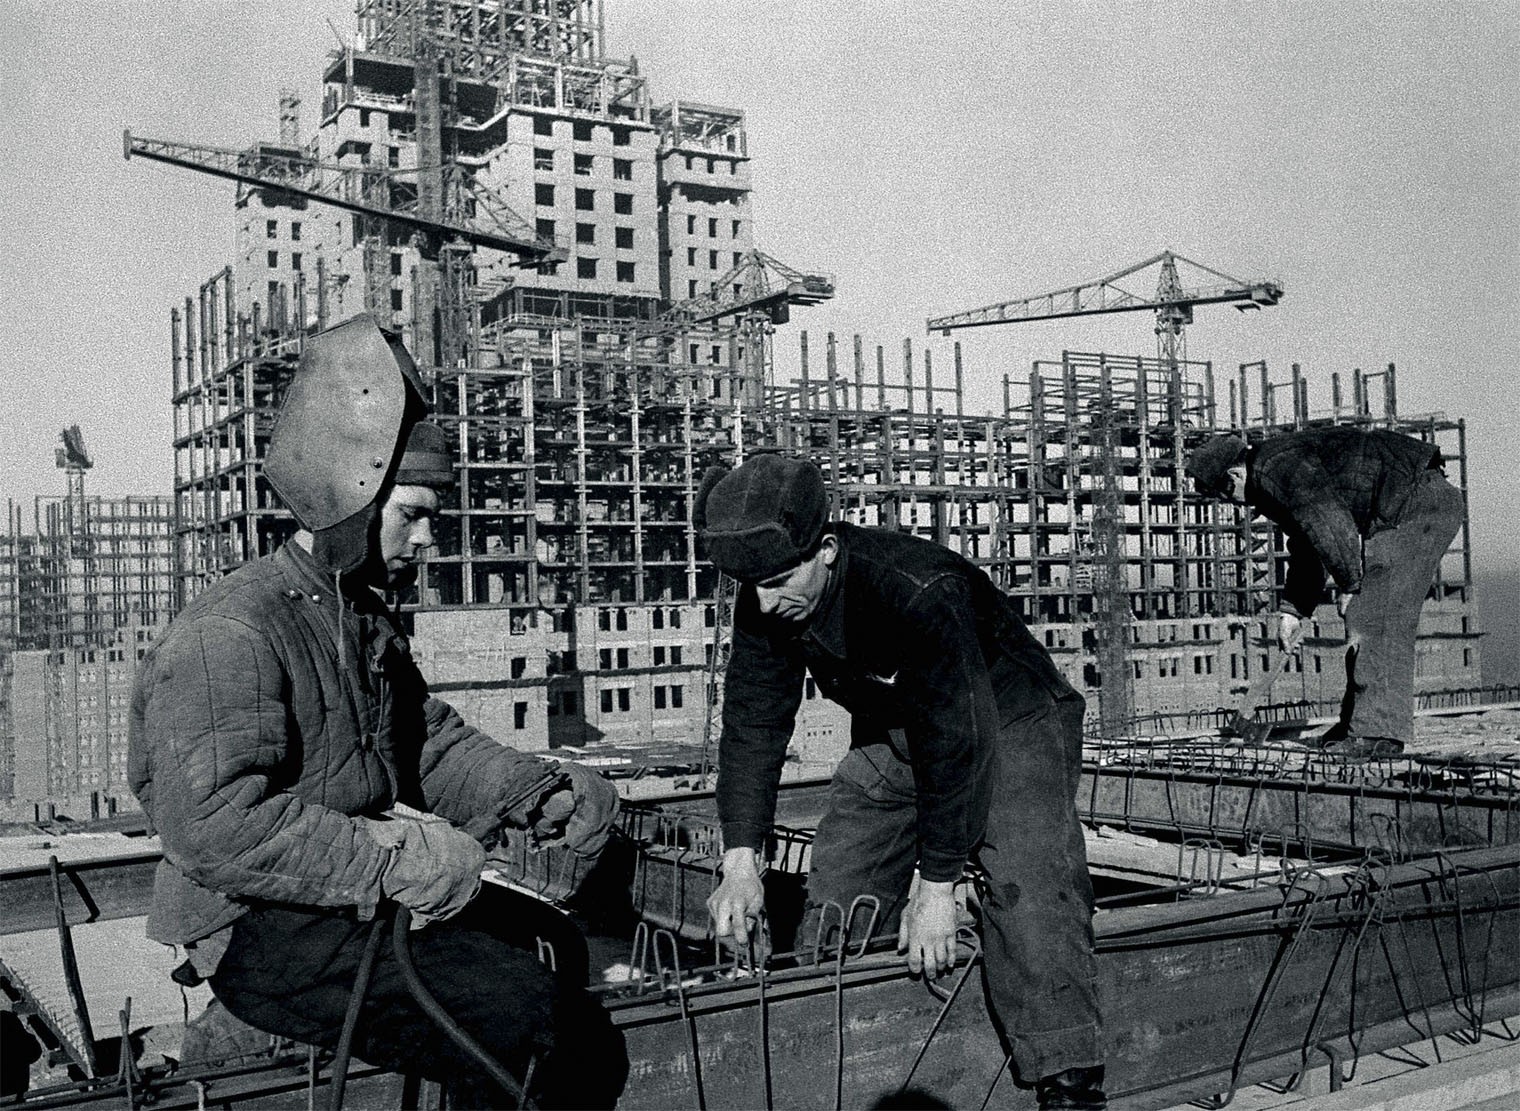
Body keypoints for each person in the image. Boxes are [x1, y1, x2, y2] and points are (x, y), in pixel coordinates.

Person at [128, 314, 626, 1108]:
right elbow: (216, 826)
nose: (427, 538)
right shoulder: (233, 629)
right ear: (353, 497)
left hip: (346, 894)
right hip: (262, 919)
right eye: (411, 513)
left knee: (555, 939)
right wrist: (395, 858)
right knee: (516, 1008)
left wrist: (536, 793)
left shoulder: (357, 614)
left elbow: (422, 741)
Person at [698, 453, 1106, 1111]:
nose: (765, 602)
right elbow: (753, 724)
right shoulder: (767, 595)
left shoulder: (918, 588)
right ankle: (839, 1041)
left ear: (826, 551)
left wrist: (937, 886)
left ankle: (1069, 1081)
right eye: (753, 587)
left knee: (1028, 880)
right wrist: (741, 862)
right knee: (842, 877)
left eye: (777, 581)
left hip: (1009, 718)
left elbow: (958, 736)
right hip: (898, 726)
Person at [1187, 426, 1464, 757]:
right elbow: (1308, 544)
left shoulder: (1276, 467)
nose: (1231, 502)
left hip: (1417, 503)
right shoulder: (1275, 472)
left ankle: (1377, 734)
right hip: (1408, 502)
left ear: (1234, 473)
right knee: (1367, 615)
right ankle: (1357, 727)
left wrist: (1350, 583)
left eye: (1225, 492)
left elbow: (1329, 522)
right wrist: (1294, 611)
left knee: (1375, 618)